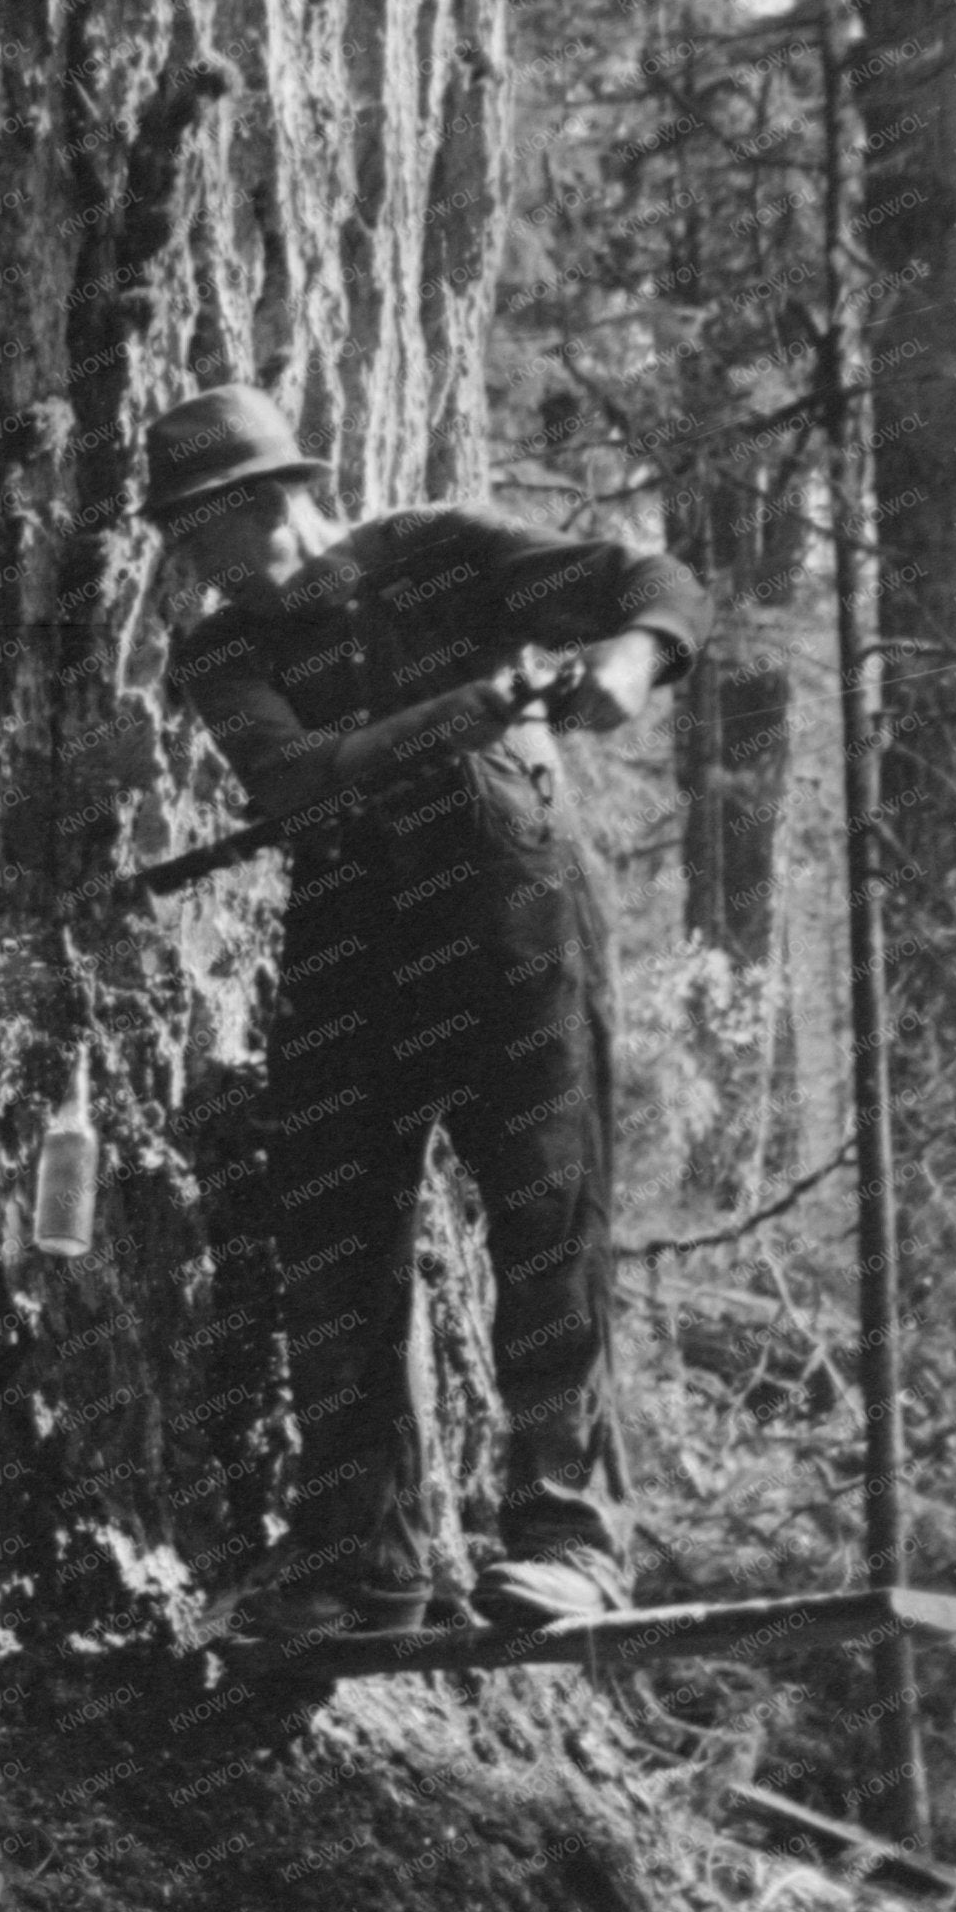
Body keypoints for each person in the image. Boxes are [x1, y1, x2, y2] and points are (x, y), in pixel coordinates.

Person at [146, 385, 711, 1636]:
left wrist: (629, 659)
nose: (193, 563)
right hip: (352, 937)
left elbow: (658, 580)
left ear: (265, 501)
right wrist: (449, 714)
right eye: (180, 543)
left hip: (519, 916)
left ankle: (569, 1542)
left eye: (201, 531)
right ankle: (366, 1557)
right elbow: (294, 781)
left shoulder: (442, 554)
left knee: (546, 1218)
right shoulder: (222, 653)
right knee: (335, 1235)